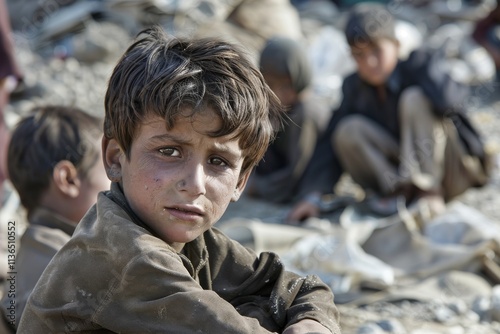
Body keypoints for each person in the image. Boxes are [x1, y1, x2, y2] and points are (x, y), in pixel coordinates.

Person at [17, 27, 341, 333]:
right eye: (169, 152)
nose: (195, 183)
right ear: (116, 158)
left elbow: (299, 288)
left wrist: (311, 321)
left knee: (261, 305)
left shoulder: (191, 236)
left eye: (218, 162)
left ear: (241, 181)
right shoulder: (127, 255)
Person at [287, 3, 491, 223]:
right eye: (360, 55)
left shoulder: (418, 66)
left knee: (414, 98)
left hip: (452, 172)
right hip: (401, 177)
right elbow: (328, 147)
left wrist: (425, 69)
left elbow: (451, 101)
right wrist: (313, 196)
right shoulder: (354, 88)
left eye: (377, 51)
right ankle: (398, 193)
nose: (370, 62)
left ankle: (428, 192)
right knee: (347, 129)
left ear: (396, 45)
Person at [0, 105, 109, 331]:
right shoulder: (69, 267)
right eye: (110, 171)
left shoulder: (35, 249)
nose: (120, 184)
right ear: (67, 179)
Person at [245, 36, 332, 203]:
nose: (277, 92)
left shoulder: (306, 112)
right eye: (270, 84)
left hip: (307, 182)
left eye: (285, 85)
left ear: (300, 78)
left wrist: (259, 187)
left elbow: (297, 170)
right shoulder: (274, 105)